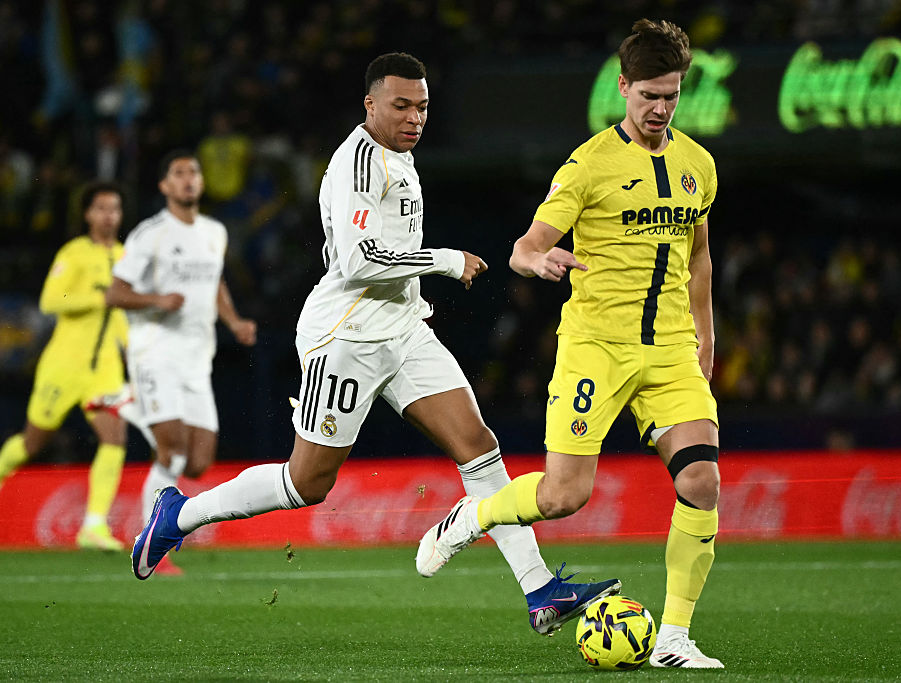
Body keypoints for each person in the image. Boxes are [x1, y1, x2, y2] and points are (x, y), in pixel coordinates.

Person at [131, 52, 619, 634]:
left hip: (404, 326)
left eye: (423, 107)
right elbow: (360, 261)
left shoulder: (400, 157)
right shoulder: (359, 162)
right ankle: (178, 515)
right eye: (402, 106)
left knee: (478, 443)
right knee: (306, 482)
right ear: (370, 105)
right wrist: (445, 260)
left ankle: (541, 591)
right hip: (347, 337)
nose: (415, 117)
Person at [417, 20, 725, 668]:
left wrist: (706, 333)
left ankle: (673, 636)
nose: (659, 109)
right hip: (596, 346)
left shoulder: (699, 164)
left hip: (669, 348)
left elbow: (699, 256)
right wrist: (539, 260)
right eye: (648, 96)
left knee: (700, 478)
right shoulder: (588, 165)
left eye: (670, 95)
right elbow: (523, 246)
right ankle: (471, 518)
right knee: (564, 495)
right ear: (622, 88)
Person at [105, 150, 257, 573]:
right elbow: (114, 293)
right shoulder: (149, 234)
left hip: (196, 357)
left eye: (194, 172)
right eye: (179, 173)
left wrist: (234, 321)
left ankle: (127, 406)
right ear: (165, 186)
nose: (188, 179)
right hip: (155, 349)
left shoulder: (214, 231)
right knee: (170, 450)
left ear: (202, 183)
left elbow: (215, 283)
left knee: (199, 460)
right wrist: (156, 299)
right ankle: (150, 543)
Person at [0, 182, 132, 551]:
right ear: (88, 214)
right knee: (31, 443)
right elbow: (49, 300)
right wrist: (98, 296)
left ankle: (92, 527)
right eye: (102, 208)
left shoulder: (126, 257)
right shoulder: (73, 253)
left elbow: (121, 314)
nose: (109, 216)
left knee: (114, 437)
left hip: (103, 369)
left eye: (115, 209)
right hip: (64, 364)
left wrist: (132, 350)